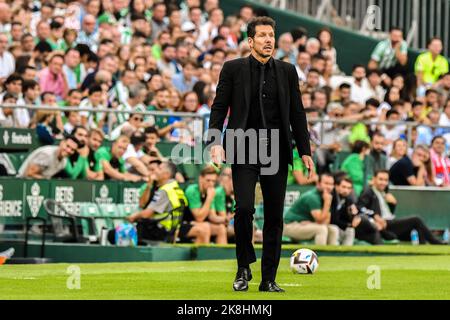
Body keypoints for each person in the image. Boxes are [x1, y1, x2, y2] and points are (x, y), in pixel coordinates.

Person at [208, 17, 313, 293]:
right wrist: (214, 142)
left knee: (275, 218)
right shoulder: (233, 68)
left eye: (271, 35)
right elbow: (219, 108)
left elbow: (298, 114)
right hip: (244, 146)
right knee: (243, 208)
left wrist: (305, 151)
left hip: (277, 149)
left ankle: (268, 279)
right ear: (250, 41)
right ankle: (244, 267)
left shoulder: (288, 71)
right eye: (263, 35)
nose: (269, 40)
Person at [126, 161, 211, 244]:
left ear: (166, 175)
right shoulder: (174, 187)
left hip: (159, 230)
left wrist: (134, 216)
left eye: (159, 168)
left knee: (114, 234)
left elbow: (147, 214)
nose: (155, 170)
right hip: (172, 228)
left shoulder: (165, 190)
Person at [358, 170, 443, 244]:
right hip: (385, 224)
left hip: (390, 222)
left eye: (386, 180)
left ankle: (422, 249)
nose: (383, 182)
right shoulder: (368, 191)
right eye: (381, 179)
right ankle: (435, 242)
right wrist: (374, 216)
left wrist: (393, 204)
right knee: (416, 220)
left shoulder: (384, 192)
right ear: (374, 179)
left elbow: (389, 212)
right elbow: (360, 208)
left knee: (418, 227)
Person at [283, 173, 339, 245]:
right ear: (318, 184)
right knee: (321, 229)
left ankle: (330, 256)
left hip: (306, 225)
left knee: (333, 229)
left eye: (331, 184)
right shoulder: (312, 197)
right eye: (326, 183)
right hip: (290, 226)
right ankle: (320, 254)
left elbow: (326, 222)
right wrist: (327, 203)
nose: (329, 187)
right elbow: (320, 220)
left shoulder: (327, 196)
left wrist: (313, 223)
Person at [331, 174, 381, 245]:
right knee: (339, 229)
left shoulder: (349, 200)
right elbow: (333, 219)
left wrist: (354, 216)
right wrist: (349, 224)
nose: (346, 190)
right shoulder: (332, 197)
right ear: (336, 186)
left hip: (342, 228)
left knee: (352, 229)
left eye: (349, 188)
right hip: (331, 226)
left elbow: (351, 219)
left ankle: (347, 253)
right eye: (344, 187)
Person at [184, 166, 228, 245]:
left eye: (213, 181)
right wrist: (209, 198)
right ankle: (204, 256)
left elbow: (212, 216)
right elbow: (199, 218)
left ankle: (221, 257)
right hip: (185, 224)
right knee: (206, 227)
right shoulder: (192, 190)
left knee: (221, 228)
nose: (211, 184)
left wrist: (225, 219)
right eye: (208, 180)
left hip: (199, 224)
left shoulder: (209, 193)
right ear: (201, 178)